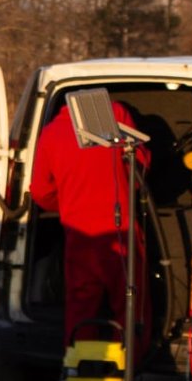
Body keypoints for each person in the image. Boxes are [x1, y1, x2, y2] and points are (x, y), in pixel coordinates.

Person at [29, 96, 153, 367]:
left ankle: (82, 373)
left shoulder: (50, 133)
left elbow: (39, 192)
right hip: (122, 233)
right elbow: (140, 165)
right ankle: (127, 374)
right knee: (131, 307)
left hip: (80, 236)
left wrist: (68, 205)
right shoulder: (116, 112)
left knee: (81, 311)